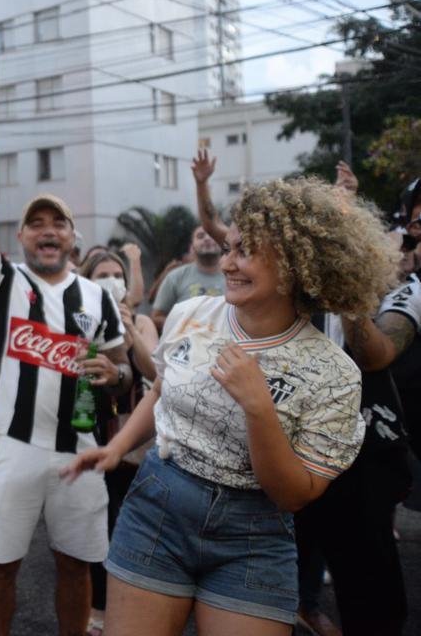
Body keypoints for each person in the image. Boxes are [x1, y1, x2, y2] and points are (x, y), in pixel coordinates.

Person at [64, 176, 399, 636]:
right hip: (157, 508)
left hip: (254, 534)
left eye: (245, 251)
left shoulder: (334, 373)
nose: (227, 263)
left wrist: (259, 406)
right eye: (229, 248)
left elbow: (293, 494)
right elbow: (162, 388)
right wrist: (118, 448)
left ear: (297, 262)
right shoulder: (189, 315)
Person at [0, 107, 133, 636]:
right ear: (24, 236)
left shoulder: (97, 295)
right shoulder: (3, 281)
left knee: (75, 564)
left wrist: (113, 377)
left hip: (80, 447)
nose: (47, 231)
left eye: (58, 223)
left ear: (73, 236)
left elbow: (120, 369)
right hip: (13, 442)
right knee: (0, 566)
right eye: (37, 223)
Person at [293, 177, 421, 636]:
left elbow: (375, 353)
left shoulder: (397, 290)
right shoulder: (285, 289)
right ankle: (306, 607)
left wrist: (349, 289)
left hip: (362, 460)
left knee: (370, 597)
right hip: (294, 450)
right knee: (279, 570)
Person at [79, 250, 159, 635]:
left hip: (137, 438)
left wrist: (127, 331)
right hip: (94, 428)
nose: (110, 281)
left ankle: (134, 606)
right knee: (100, 522)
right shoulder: (79, 318)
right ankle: (97, 607)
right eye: (101, 275)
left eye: (116, 275)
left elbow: (155, 371)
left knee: (134, 523)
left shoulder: (140, 320)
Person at [150, 226, 225, 332]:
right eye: (200, 236)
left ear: (223, 243)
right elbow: (156, 317)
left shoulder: (236, 277)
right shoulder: (175, 277)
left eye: (213, 236)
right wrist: (186, 326)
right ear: (192, 247)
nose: (207, 239)